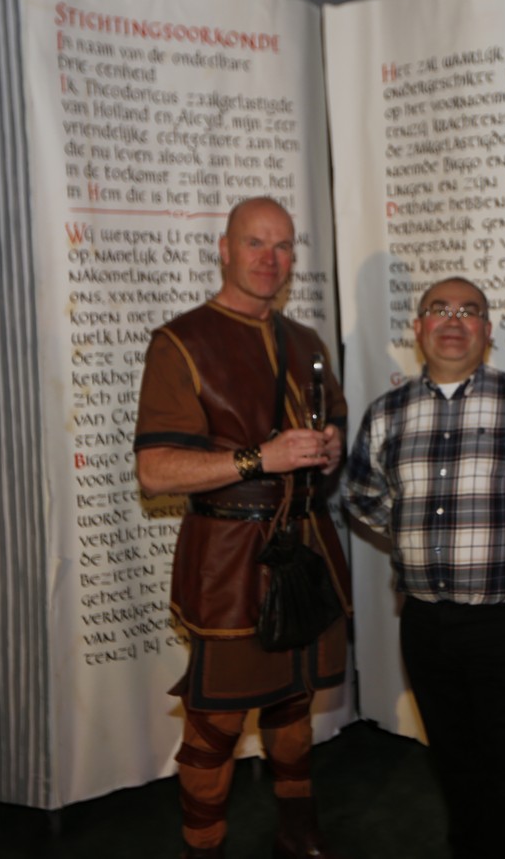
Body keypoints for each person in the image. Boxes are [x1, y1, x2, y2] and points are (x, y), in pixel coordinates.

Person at [344, 276, 505, 859]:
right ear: (419, 327)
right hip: (423, 621)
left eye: (469, 311)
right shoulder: (386, 413)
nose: (453, 320)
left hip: (503, 622)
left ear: (486, 331)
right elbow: (360, 495)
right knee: (453, 760)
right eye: (439, 309)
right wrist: (412, 536)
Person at [134, 197, 349, 859]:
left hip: (307, 545)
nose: (270, 259)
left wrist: (329, 449)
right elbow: (155, 471)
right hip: (230, 558)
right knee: (217, 720)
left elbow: (330, 432)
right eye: (255, 243)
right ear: (225, 250)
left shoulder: (306, 342)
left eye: (282, 246)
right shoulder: (181, 341)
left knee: (293, 702)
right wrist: (261, 458)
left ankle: (296, 827)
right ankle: (204, 847)